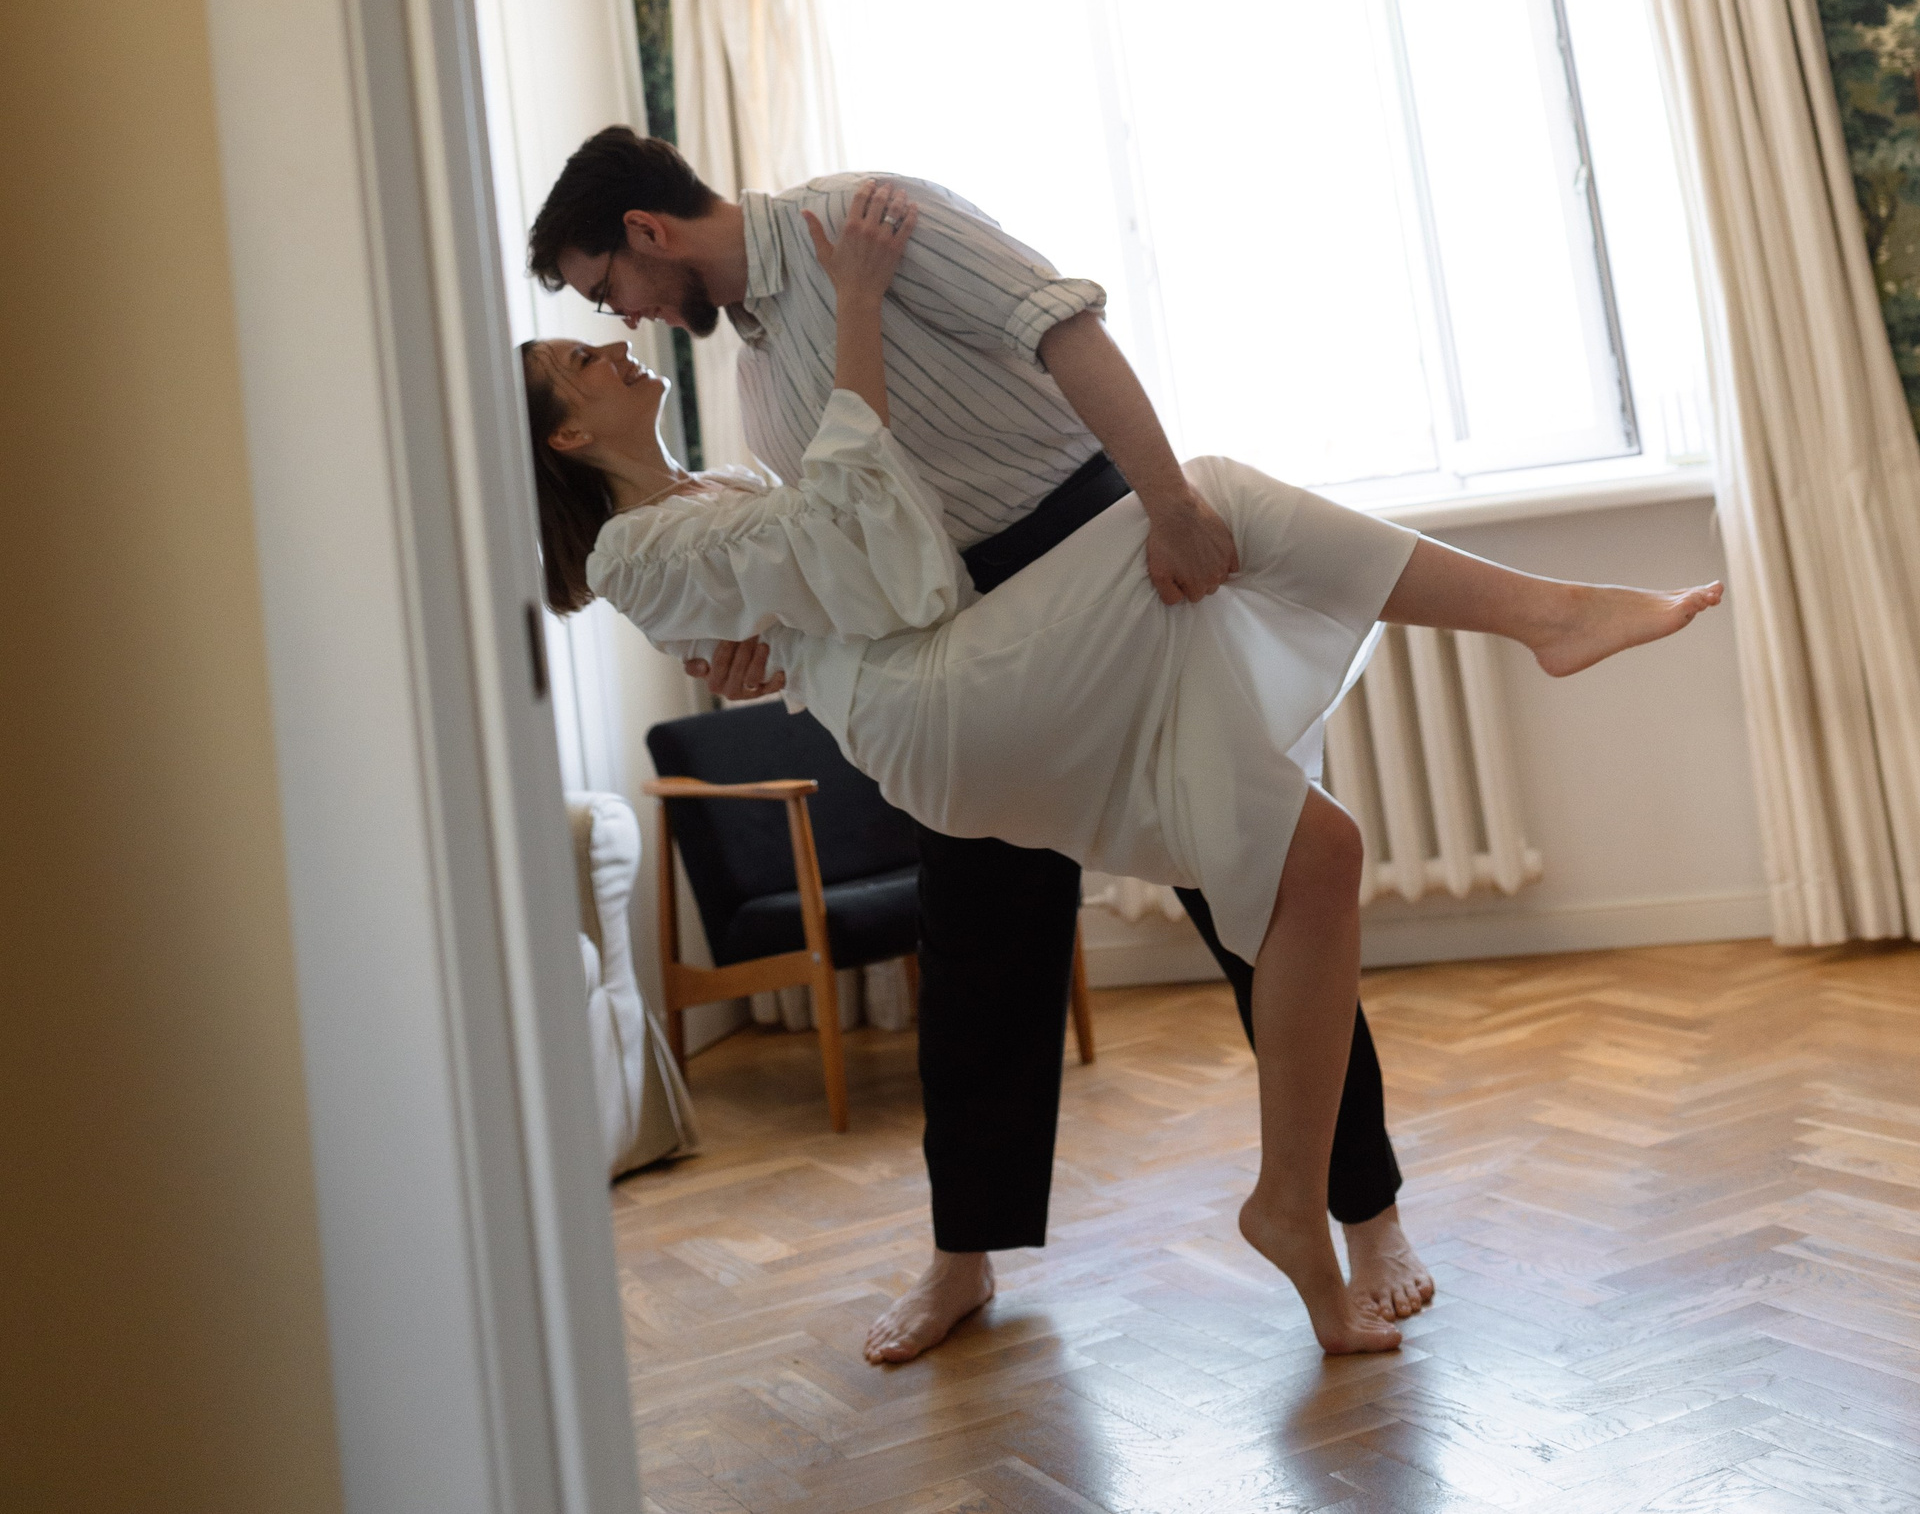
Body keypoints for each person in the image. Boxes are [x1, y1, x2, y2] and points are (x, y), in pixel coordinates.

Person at [525, 172, 1722, 1358]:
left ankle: (1349, 1208)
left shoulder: (860, 224)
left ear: (646, 226)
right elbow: (832, 546)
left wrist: (1163, 502)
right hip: (962, 664)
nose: (617, 319)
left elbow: (1054, 334)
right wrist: (760, 624)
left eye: (603, 288)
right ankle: (963, 1254)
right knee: (984, 962)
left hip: (1093, 558)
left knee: (1304, 861)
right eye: (588, 327)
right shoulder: (749, 387)